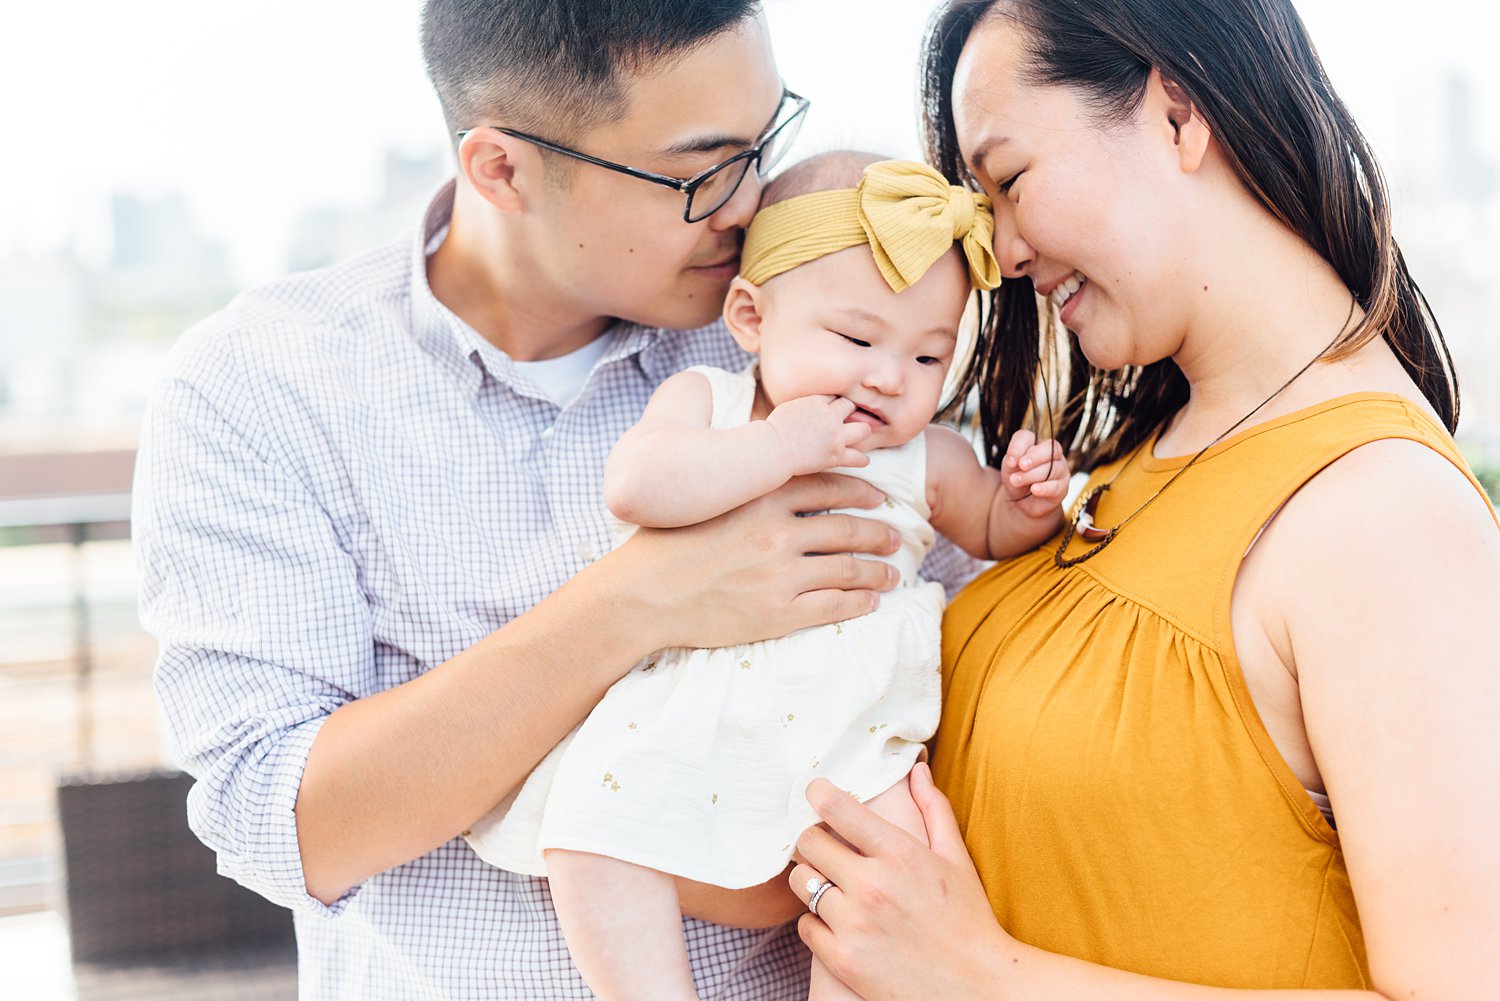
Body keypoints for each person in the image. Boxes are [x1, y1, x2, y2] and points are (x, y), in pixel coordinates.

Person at [132, 3, 986, 998]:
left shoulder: (806, 329)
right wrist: (644, 597)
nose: (751, 205)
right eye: (701, 170)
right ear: (501, 168)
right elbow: (278, 818)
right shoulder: (262, 384)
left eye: (763, 146)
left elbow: (956, 640)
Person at [783, 1, 1500, 999]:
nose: (1004, 251)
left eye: (1012, 179)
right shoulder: (1124, 466)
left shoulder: (1382, 515)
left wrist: (977, 973)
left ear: (1177, 114)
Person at [460, 152, 1070, 1001]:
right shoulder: (709, 401)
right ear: (750, 316)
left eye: (929, 357)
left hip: (855, 732)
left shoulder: (923, 453)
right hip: (693, 706)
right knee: (590, 836)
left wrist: (1027, 501)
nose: (889, 377)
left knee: (886, 881)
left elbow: (992, 529)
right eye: (856, 339)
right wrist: (781, 445)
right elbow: (636, 485)